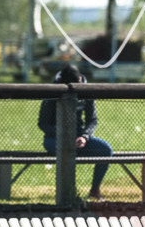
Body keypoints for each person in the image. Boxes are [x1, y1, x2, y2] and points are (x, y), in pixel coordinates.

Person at [38, 64, 113, 200]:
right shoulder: (51, 92)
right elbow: (43, 123)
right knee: (66, 150)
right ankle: (67, 193)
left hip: (78, 137)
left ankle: (95, 190)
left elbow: (92, 120)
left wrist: (84, 137)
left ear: (80, 79)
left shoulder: (87, 91)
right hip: (53, 138)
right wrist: (62, 133)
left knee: (106, 150)